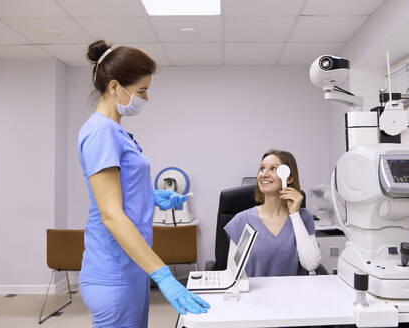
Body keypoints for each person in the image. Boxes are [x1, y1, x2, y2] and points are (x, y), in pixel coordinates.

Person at [77, 40, 209, 327]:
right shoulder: (101, 133)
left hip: (131, 266)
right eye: (141, 91)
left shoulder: (116, 132)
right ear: (114, 87)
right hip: (114, 271)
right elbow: (111, 214)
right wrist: (163, 274)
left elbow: (119, 190)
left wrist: (150, 196)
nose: (146, 98)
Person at [224, 149, 321, 277]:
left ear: (289, 178)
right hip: (255, 295)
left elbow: (311, 264)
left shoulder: (303, 217)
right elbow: (233, 272)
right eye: (262, 168)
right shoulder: (243, 220)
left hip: (294, 295)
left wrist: (294, 215)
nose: (264, 174)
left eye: (273, 169)